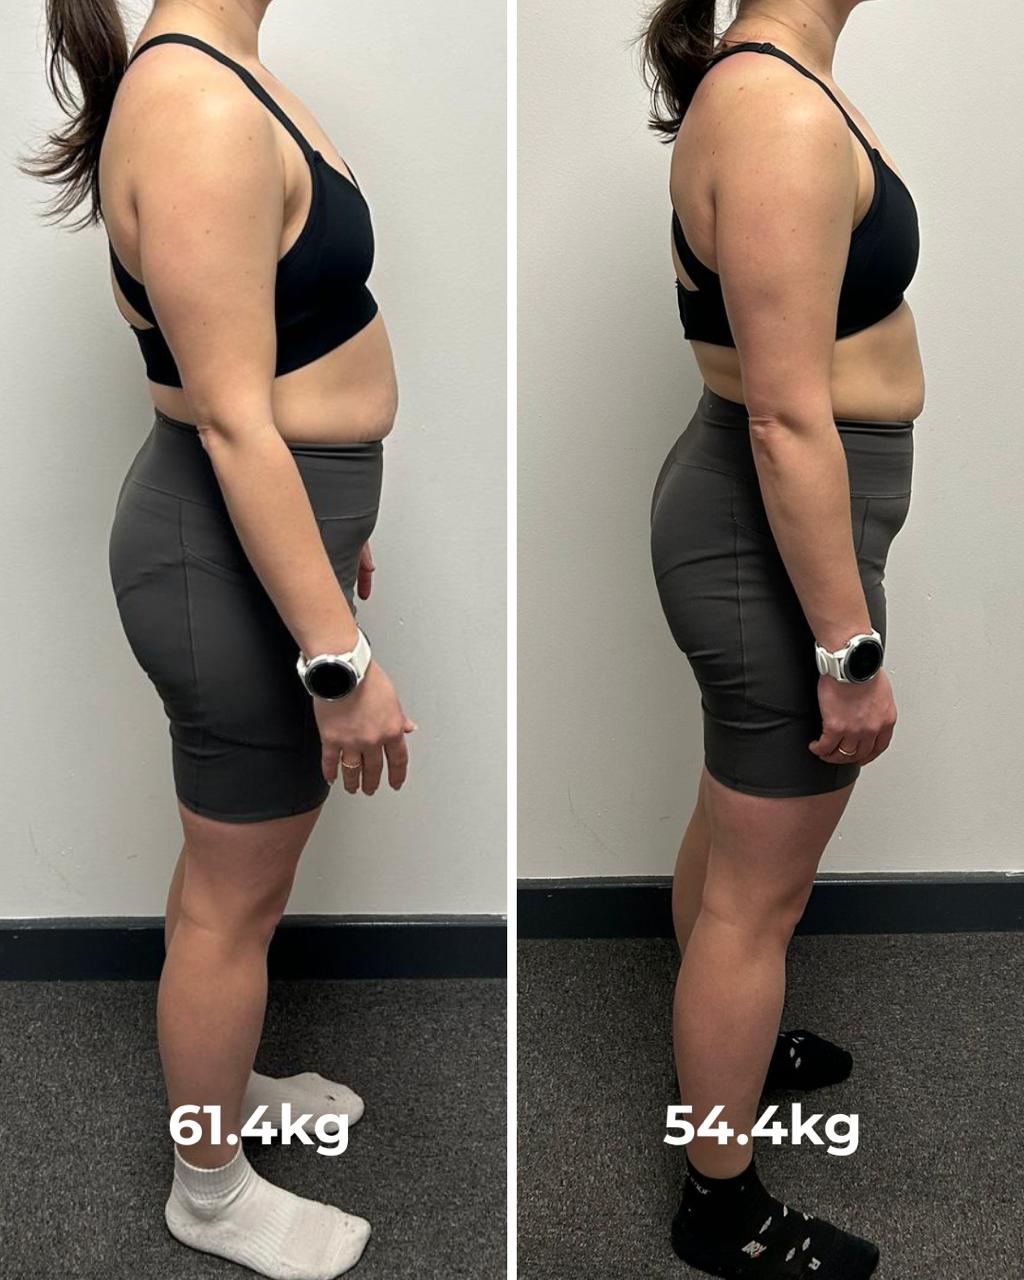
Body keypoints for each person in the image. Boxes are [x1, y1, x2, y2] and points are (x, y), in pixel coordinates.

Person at [21, 1, 416, 1275]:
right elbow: (237, 425)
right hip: (222, 561)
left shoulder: (229, 73)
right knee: (229, 903)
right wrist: (337, 658)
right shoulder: (195, 103)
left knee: (236, 878)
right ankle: (209, 1184)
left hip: (264, 547)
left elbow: (281, 341)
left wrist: (332, 537)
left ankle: (225, 1084)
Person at [641, 1, 922, 1275]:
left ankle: (724, 1058)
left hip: (783, 526)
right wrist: (847, 650)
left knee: (736, 837)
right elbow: (784, 424)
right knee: (763, 893)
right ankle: (721, 1198)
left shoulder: (787, 81)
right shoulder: (769, 106)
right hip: (773, 534)